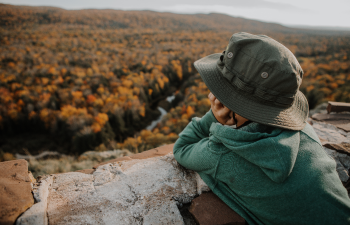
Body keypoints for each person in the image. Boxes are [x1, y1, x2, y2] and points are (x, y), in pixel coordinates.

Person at [173, 32, 350, 225]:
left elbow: (182, 147)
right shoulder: (305, 132)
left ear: (229, 102)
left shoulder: (222, 153)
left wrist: (214, 117)